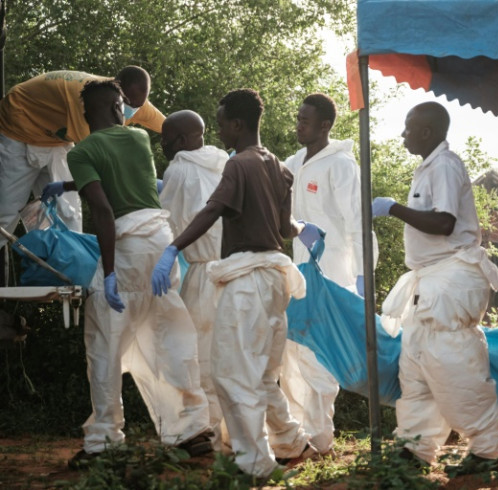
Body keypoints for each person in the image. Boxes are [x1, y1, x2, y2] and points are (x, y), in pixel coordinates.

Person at [151, 88, 319, 480]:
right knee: (262, 376)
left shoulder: (238, 165)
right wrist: (301, 228)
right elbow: (283, 229)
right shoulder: (278, 166)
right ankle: (294, 444)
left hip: (245, 279)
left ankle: (254, 465)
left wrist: (172, 249)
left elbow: (213, 210)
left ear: (237, 124)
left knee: (231, 374)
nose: (220, 130)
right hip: (275, 277)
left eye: (223, 122)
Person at [58, 80, 211, 468]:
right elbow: (119, 176)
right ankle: (190, 432)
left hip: (124, 248)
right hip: (161, 244)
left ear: (84, 114)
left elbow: (105, 211)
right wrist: (67, 184)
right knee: (167, 338)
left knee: (105, 346)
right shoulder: (141, 140)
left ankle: (104, 442)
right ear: (118, 107)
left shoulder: (83, 151)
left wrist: (108, 273)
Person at [372, 101, 498, 476]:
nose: (403, 134)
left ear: (427, 132)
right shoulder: (429, 167)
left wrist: (393, 208)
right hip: (430, 279)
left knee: (453, 366)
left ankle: (488, 451)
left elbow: (445, 222)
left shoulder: (445, 165)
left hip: (450, 277)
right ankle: (415, 449)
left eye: (408, 128)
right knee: (415, 368)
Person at [280, 93, 376, 456]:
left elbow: (357, 222)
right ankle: (297, 435)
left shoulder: (341, 165)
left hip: (333, 271)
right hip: (298, 270)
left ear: (324, 125)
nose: (299, 125)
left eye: (305, 120)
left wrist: (364, 276)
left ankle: (320, 439)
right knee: (293, 350)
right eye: (298, 118)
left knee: (318, 356)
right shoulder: (292, 163)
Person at [0, 66, 165, 249]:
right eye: (127, 104)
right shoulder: (88, 106)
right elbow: (103, 173)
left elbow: (175, 127)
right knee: (6, 213)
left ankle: (63, 266)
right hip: (19, 126)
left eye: (138, 105)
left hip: (56, 139)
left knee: (68, 212)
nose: (132, 109)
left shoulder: (134, 101)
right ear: (117, 95)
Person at [158, 110, 230, 450]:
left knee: (198, 356)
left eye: (166, 141)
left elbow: (166, 227)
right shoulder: (224, 164)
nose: (163, 148)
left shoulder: (180, 168)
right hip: (235, 270)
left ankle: (206, 430)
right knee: (231, 354)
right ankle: (235, 432)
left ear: (184, 140)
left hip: (203, 272)